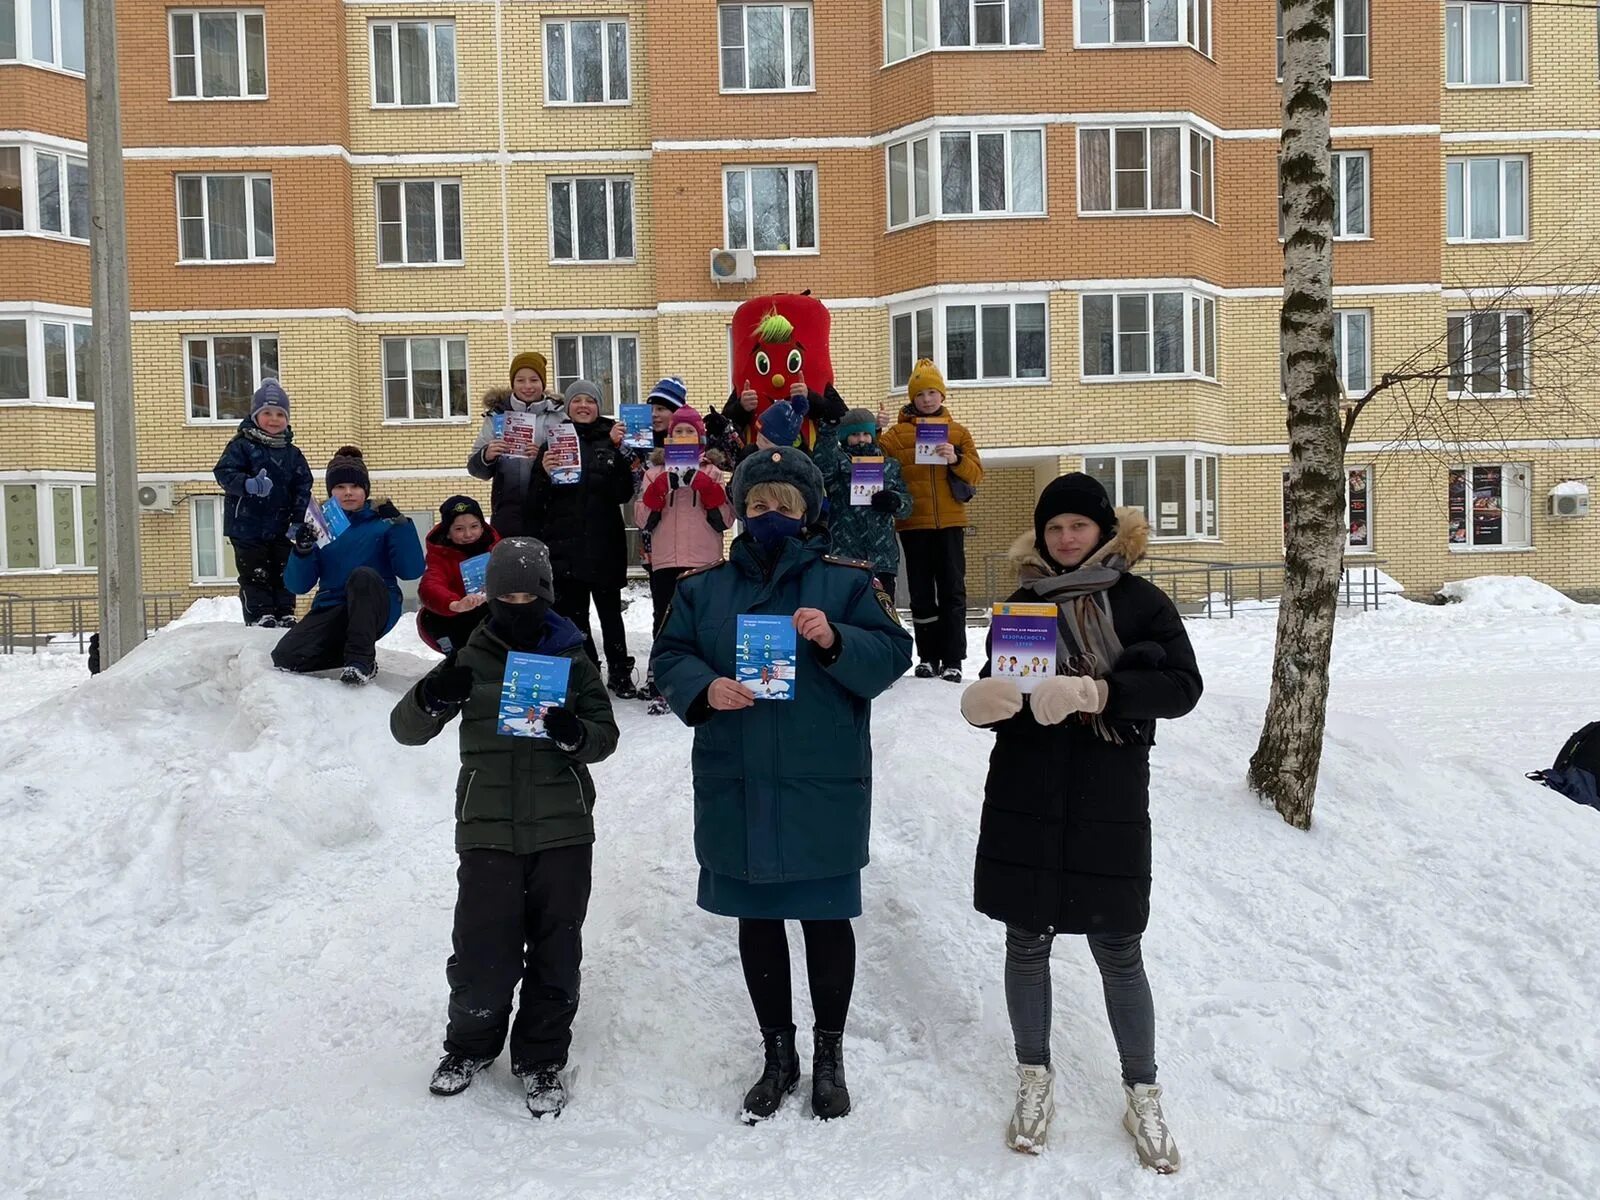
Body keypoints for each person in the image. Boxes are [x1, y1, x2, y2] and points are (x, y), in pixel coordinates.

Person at [651, 446, 912, 1123]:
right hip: (737, 778)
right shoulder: (703, 588)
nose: (770, 513)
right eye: (759, 502)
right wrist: (703, 687)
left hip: (817, 783)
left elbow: (892, 653)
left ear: (808, 513)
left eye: (785, 504)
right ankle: (778, 1057)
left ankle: (828, 1057)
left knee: (826, 922)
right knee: (758, 922)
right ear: (740, 510)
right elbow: (669, 655)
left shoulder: (846, 583)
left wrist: (834, 642)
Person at [958, 473, 1202, 1169]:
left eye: (1079, 526)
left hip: (1106, 797)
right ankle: (1034, 1076)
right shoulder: (1022, 602)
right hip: (1026, 792)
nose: (1066, 538)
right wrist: (985, 700)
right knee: (1026, 942)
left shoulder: (1139, 601)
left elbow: (1183, 688)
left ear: (1102, 531)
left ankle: (1142, 1090)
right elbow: (1001, 681)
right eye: (1054, 528)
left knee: (1118, 949)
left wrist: (1102, 690)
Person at [390, 537, 619, 1119]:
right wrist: (432, 697)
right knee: (482, 947)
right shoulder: (470, 655)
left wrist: (575, 735)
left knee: (555, 948)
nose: (517, 604)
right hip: (487, 828)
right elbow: (406, 730)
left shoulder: (572, 657)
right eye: (505, 594)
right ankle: (468, 1047)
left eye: (528, 593)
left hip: (563, 829)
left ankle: (541, 1059)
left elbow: (604, 735)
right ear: (490, 597)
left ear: (544, 594)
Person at [271, 446, 425, 685]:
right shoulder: (319, 527)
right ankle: (350, 654)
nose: (348, 493)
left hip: (376, 604)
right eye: (340, 487)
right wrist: (302, 549)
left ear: (365, 490)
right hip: (332, 608)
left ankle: (361, 663)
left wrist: (400, 525)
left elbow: (411, 570)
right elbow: (297, 585)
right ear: (331, 491)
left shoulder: (383, 522)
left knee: (362, 576)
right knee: (286, 657)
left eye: (355, 487)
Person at [529, 380, 640, 699]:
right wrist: (544, 475)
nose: (583, 406)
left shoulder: (614, 438)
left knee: (610, 616)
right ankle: (588, 672)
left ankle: (620, 672)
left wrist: (619, 453)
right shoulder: (554, 442)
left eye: (589, 401)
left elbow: (623, 492)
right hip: (565, 547)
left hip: (605, 545)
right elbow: (536, 504)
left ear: (598, 406)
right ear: (568, 407)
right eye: (576, 400)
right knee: (575, 618)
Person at [878, 358, 984, 682]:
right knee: (922, 593)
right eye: (920, 393)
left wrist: (956, 458)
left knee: (953, 590)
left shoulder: (958, 432)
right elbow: (871, 462)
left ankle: (953, 659)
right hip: (914, 524)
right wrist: (876, 429)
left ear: (942, 396)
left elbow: (976, 474)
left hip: (951, 522)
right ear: (912, 397)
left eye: (932, 392)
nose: (927, 399)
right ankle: (927, 656)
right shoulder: (896, 436)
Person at [634, 403, 734, 715]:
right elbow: (641, 518)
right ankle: (662, 681)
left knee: (703, 619)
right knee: (665, 619)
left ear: (700, 438)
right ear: (669, 437)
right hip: (666, 560)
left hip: (704, 560)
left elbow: (727, 520)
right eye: (678, 431)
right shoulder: (653, 472)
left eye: (690, 431)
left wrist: (709, 490)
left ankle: (706, 677)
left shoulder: (714, 472)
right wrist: (658, 491)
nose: (684, 435)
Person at [211, 380, 314, 627]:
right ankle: (260, 614)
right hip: (247, 526)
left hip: (281, 525)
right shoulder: (242, 446)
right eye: (267, 413)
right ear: (255, 415)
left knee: (284, 570)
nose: (274, 419)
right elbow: (224, 472)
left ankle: (285, 611)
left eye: (280, 414)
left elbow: (303, 487)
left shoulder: (293, 454)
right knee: (255, 572)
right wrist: (248, 484)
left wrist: (299, 520)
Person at [812, 407, 913, 603]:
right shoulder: (839, 464)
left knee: (882, 614)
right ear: (844, 437)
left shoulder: (890, 466)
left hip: (882, 559)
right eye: (855, 435)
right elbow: (823, 469)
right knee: (846, 613)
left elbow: (907, 504)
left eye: (866, 434)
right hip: (845, 556)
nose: (861, 439)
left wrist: (895, 501)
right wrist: (828, 429)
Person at [467, 352, 566, 536]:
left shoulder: (559, 415)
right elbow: (475, 470)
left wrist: (543, 456)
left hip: (551, 514)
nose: (527, 386)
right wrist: (486, 455)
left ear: (542, 383)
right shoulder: (497, 416)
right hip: (508, 516)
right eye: (520, 380)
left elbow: (572, 465)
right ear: (513, 383)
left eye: (534, 380)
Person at [417, 495, 501, 654]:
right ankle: (457, 656)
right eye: (459, 529)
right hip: (461, 618)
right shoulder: (441, 556)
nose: (468, 534)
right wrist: (455, 604)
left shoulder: (498, 548)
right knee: (431, 616)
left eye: (474, 526)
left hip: (496, 612)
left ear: (483, 527)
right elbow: (430, 585)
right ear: (448, 533)